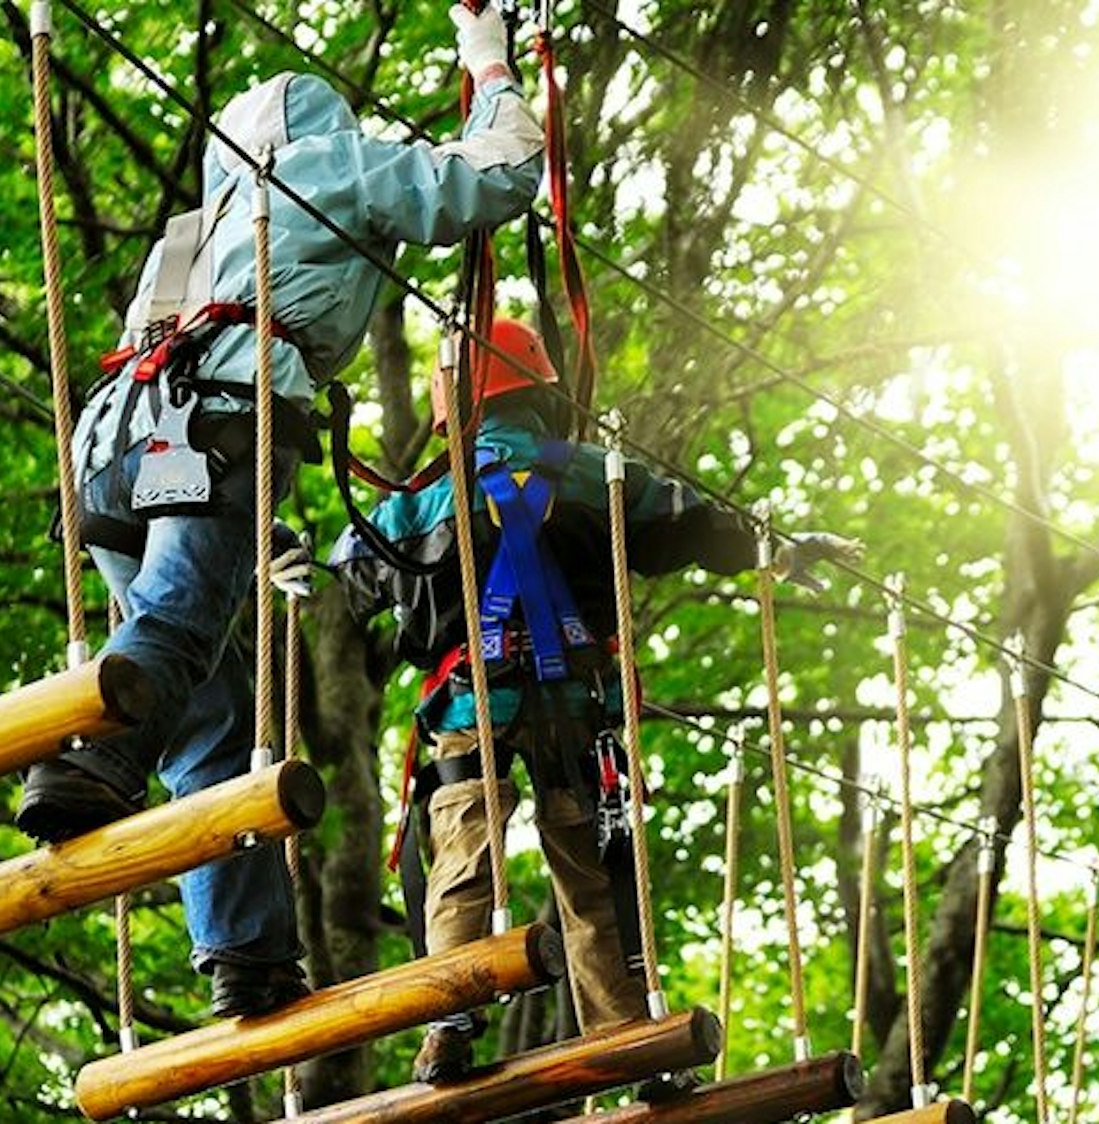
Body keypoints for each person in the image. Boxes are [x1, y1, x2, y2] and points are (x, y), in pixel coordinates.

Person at [14, 6, 546, 1020]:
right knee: (177, 618)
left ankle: (244, 954)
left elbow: (175, 379)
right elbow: (501, 172)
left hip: (111, 453)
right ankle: (92, 754)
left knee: (210, 715)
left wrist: (255, 530)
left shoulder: (193, 230)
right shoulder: (328, 168)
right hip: (217, 420)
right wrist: (487, 57)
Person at [328, 319, 862, 1082]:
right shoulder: (600, 474)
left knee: (461, 859)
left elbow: (353, 572)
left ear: (455, 411)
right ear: (544, 396)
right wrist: (774, 546)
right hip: (578, 709)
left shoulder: (419, 506)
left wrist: (285, 557)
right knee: (595, 882)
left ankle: (449, 1018)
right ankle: (627, 1039)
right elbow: (695, 526)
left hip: (468, 709)